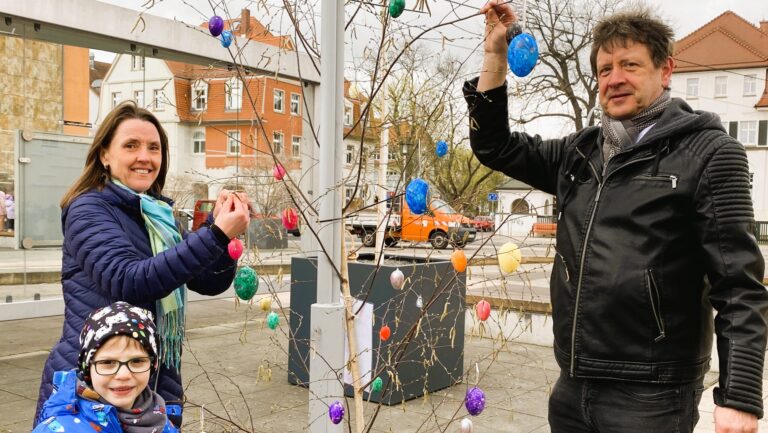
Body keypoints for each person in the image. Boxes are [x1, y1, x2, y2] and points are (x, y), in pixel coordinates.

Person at [465, 3, 767, 432]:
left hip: (651, 395)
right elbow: (494, 146)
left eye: (630, 65)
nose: (615, 78)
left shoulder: (709, 154)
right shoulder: (579, 153)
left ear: (665, 70)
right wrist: (495, 55)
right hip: (573, 386)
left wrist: (738, 395)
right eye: (605, 69)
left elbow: (739, 284)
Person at [34, 101, 251, 428]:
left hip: (151, 379)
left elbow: (209, 281)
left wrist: (216, 229)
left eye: (154, 148)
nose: (145, 157)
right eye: (131, 146)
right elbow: (128, 280)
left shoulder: (158, 216)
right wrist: (216, 235)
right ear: (105, 155)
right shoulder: (88, 209)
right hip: (94, 383)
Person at [34, 302, 178, 433]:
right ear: (87, 368)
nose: (123, 375)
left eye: (137, 361)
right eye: (108, 363)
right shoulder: (57, 428)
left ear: (152, 365)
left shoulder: (162, 421)